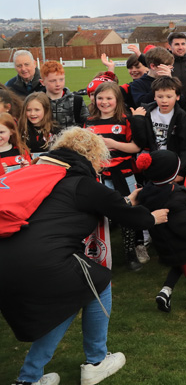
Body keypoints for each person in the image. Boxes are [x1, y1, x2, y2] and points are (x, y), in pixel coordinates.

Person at [0, 127, 166, 385]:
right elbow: (126, 214)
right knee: (99, 285)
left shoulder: (38, 173)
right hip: (44, 259)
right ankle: (96, 362)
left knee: (71, 297)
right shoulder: (81, 182)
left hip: (8, 257)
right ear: (94, 156)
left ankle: (29, 378)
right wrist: (151, 218)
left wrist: (126, 203)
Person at [134, 150, 186, 313]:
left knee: (179, 265)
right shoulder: (174, 197)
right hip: (184, 243)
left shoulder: (149, 191)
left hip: (165, 243)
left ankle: (165, 292)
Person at [83, 82, 143, 271]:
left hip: (123, 175)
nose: (104, 102)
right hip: (99, 176)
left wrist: (112, 144)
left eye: (109, 98)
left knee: (127, 212)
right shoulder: (89, 122)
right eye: (100, 98)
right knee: (99, 214)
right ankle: (97, 253)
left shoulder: (126, 121)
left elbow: (136, 147)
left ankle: (130, 253)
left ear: (117, 100)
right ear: (94, 99)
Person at [131, 76, 186, 183]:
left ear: (177, 97)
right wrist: (138, 120)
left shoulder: (182, 117)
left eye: (169, 96)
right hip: (152, 164)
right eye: (160, 96)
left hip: (172, 165)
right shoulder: (146, 113)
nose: (164, 101)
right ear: (154, 97)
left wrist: (180, 172)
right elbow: (140, 141)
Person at [39, 61, 87, 129]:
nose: (58, 84)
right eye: (53, 81)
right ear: (42, 82)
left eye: (61, 79)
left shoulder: (76, 101)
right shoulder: (38, 102)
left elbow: (88, 124)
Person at [19, 92, 56, 158]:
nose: (32, 113)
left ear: (46, 110)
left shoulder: (55, 130)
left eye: (37, 110)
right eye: (29, 110)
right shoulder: (20, 130)